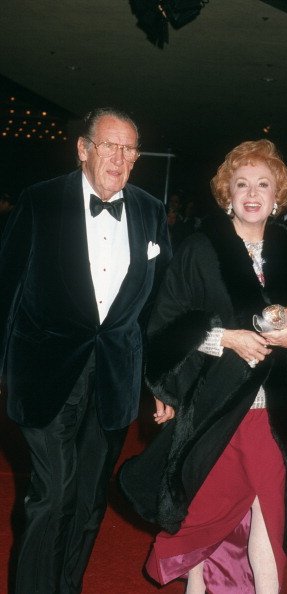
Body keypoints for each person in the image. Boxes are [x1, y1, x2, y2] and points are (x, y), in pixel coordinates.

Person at [119, 139, 287, 593]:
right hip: (212, 406)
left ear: (278, 197)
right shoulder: (199, 248)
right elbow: (165, 326)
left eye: (263, 184)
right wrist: (224, 339)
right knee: (206, 515)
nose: (252, 193)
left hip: (275, 411)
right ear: (226, 193)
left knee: (268, 514)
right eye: (241, 184)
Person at [0, 107, 172, 593]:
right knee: (52, 494)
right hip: (44, 374)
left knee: (89, 501)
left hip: (114, 379)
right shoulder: (39, 202)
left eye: (129, 149)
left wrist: (161, 381)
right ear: (83, 150)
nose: (119, 158)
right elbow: (4, 289)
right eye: (108, 146)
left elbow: (160, 308)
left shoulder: (150, 212)